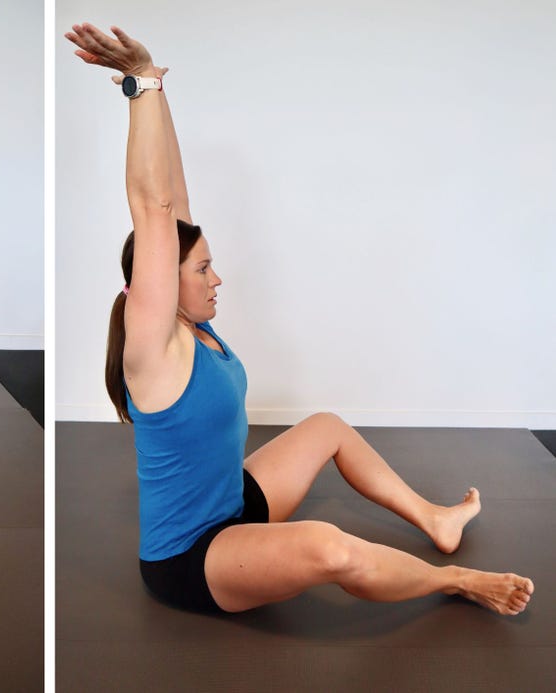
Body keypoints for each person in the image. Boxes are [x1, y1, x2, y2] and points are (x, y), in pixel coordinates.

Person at [66, 22, 533, 617]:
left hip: (234, 504)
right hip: (192, 558)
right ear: (158, 285)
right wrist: (136, 87)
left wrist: (154, 80)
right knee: (328, 546)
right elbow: (151, 207)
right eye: (203, 269)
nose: (216, 279)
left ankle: (436, 520)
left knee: (326, 426)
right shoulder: (154, 345)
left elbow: (174, 202)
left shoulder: (194, 326)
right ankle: (457, 580)